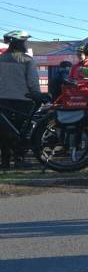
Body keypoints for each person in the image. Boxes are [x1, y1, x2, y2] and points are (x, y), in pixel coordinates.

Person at [0, 31, 45, 170]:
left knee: (3, 132)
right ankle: (19, 160)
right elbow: (32, 82)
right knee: (21, 132)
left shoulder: (0, 59)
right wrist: (37, 94)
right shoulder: (28, 60)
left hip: (3, 100)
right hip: (23, 100)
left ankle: (5, 162)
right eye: (25, 41)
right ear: (20, 43)